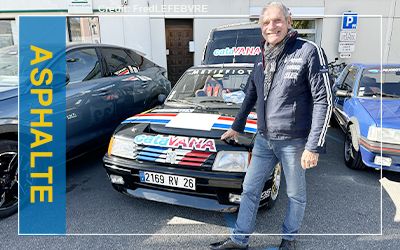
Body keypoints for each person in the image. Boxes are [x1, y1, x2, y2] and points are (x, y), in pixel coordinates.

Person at [209, 1, 332, 250]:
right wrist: (237, 126)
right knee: (250, 189)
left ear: (289, 21)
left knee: (295, 195)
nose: (271, 26)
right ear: (261, 26)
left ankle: (289, 240)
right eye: (266, 22)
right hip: (264, 139)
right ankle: (239, 240)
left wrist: (314, 146)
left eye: (277, 20)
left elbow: (325, 99)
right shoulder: (261, 54)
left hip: (295, 142)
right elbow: (250, 95)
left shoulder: (309, 51)